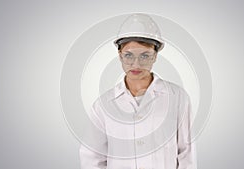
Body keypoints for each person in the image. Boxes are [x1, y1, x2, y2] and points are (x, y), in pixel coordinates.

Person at [79, 13, 197, 169]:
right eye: (128, 55)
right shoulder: (103, 105)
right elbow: (92, 158)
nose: (136, 64)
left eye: (145, 56)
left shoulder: (177, 98)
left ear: (155, 56)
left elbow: (186, 154)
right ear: (120, 56)